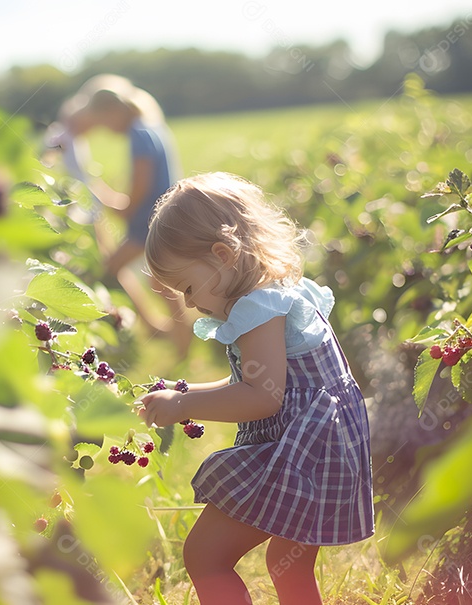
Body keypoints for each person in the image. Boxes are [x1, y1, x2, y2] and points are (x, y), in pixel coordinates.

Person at [137, 172, 374, 605]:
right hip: (322, 443)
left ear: (223, 255)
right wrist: (182, 391)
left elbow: (263, 397)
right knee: (289, 558)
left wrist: (185, 405)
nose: (189, 304)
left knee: (205, 555)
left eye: (188, 287)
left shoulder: (258, 307)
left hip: (304, 450)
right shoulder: (278, 291)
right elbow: (254, 380)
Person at [46, 75, 190, 351]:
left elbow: (141, 187)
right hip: (158, 216)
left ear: (113, 112)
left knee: (137, 275)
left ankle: (179, 341)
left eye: (103, 122)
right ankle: (171, 335)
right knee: (155, 279)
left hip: (150, 220)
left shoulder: (139, 134)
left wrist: (114, 202)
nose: (105, 130)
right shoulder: (150, 126)